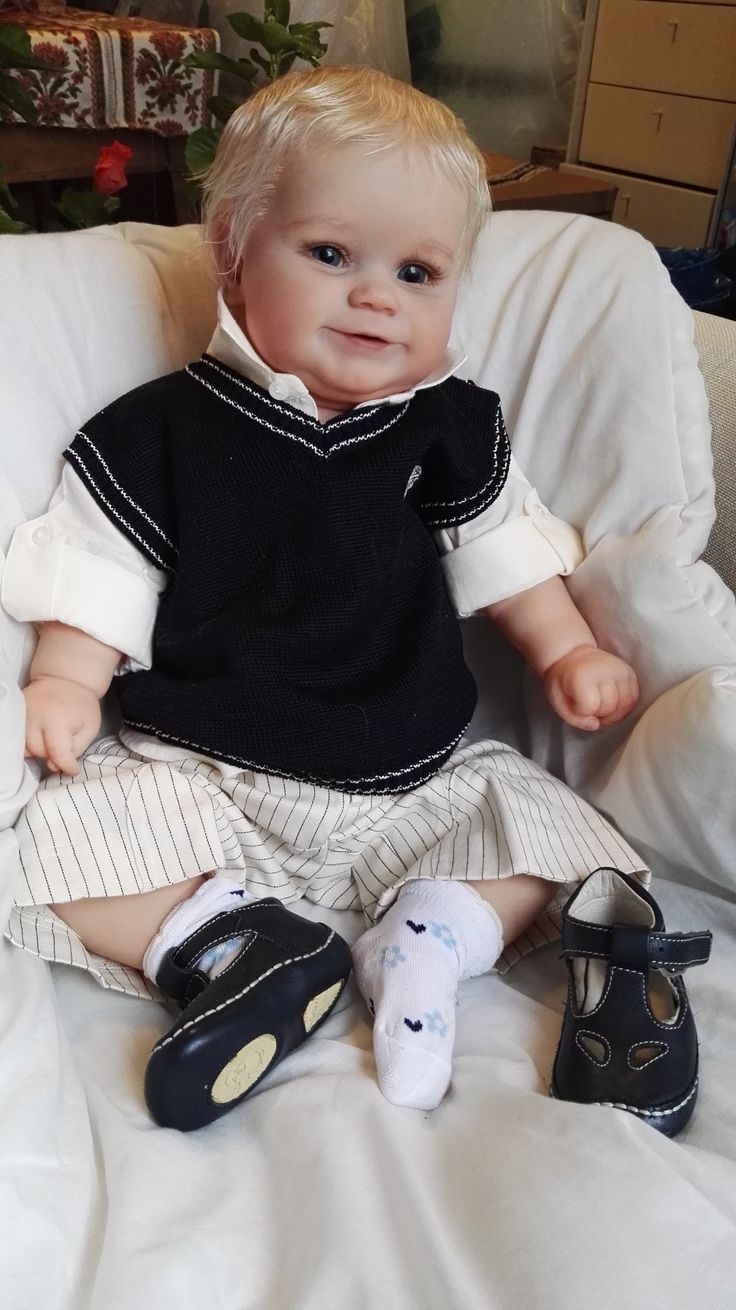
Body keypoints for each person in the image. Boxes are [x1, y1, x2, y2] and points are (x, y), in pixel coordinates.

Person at [2, 66, 646, 1131]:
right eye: (331, 254)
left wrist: (566, 648)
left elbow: (503, 553)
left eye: (418, 271)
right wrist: (66, 677)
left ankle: (426, 938)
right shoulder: (162, 430)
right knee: (60, 842)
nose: (376, 294)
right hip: (204, 775)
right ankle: (237, 942)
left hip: (413, 779)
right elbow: (100, 567)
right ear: (232, 257)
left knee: (555, 833)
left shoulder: (449, 427)